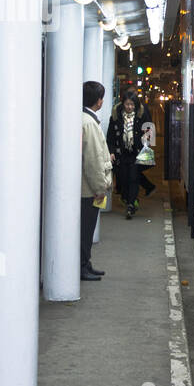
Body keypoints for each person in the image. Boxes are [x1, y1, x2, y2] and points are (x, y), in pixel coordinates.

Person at [81, 81, 113, 281]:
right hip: (88, 190)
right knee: (85, 230)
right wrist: (100, 188)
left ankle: (86, 264)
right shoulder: (89, 123)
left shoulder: (86, 120)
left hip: (86, 187)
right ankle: (82, 266)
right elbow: (92, 160)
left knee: (86, 229)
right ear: (99, 101)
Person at [108, 93, 145, 218]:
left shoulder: (141, 116)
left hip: (136, 153)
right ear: (122, 104)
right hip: (121, 153)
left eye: (132, 104)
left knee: (133, 178)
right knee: (123, 179)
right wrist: (111, 151)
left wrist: (146, 141)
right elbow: (111, 136)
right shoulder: (115, 116)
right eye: (127, 104)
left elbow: (149, 132)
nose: (129, 107)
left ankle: (130, 204)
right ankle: (126, 198)